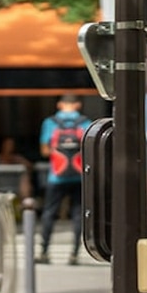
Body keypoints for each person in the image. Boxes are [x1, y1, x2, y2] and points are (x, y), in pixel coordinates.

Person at [37, 94, 92, 265]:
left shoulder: (50, 123)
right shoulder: (85, 122)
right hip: (79, 175)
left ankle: (44, 251)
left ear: (60, 104)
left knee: (49, 213)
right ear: (77, 105)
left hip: (56, 176)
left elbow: (45, 150)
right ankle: (74, 254)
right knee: (78, 214)